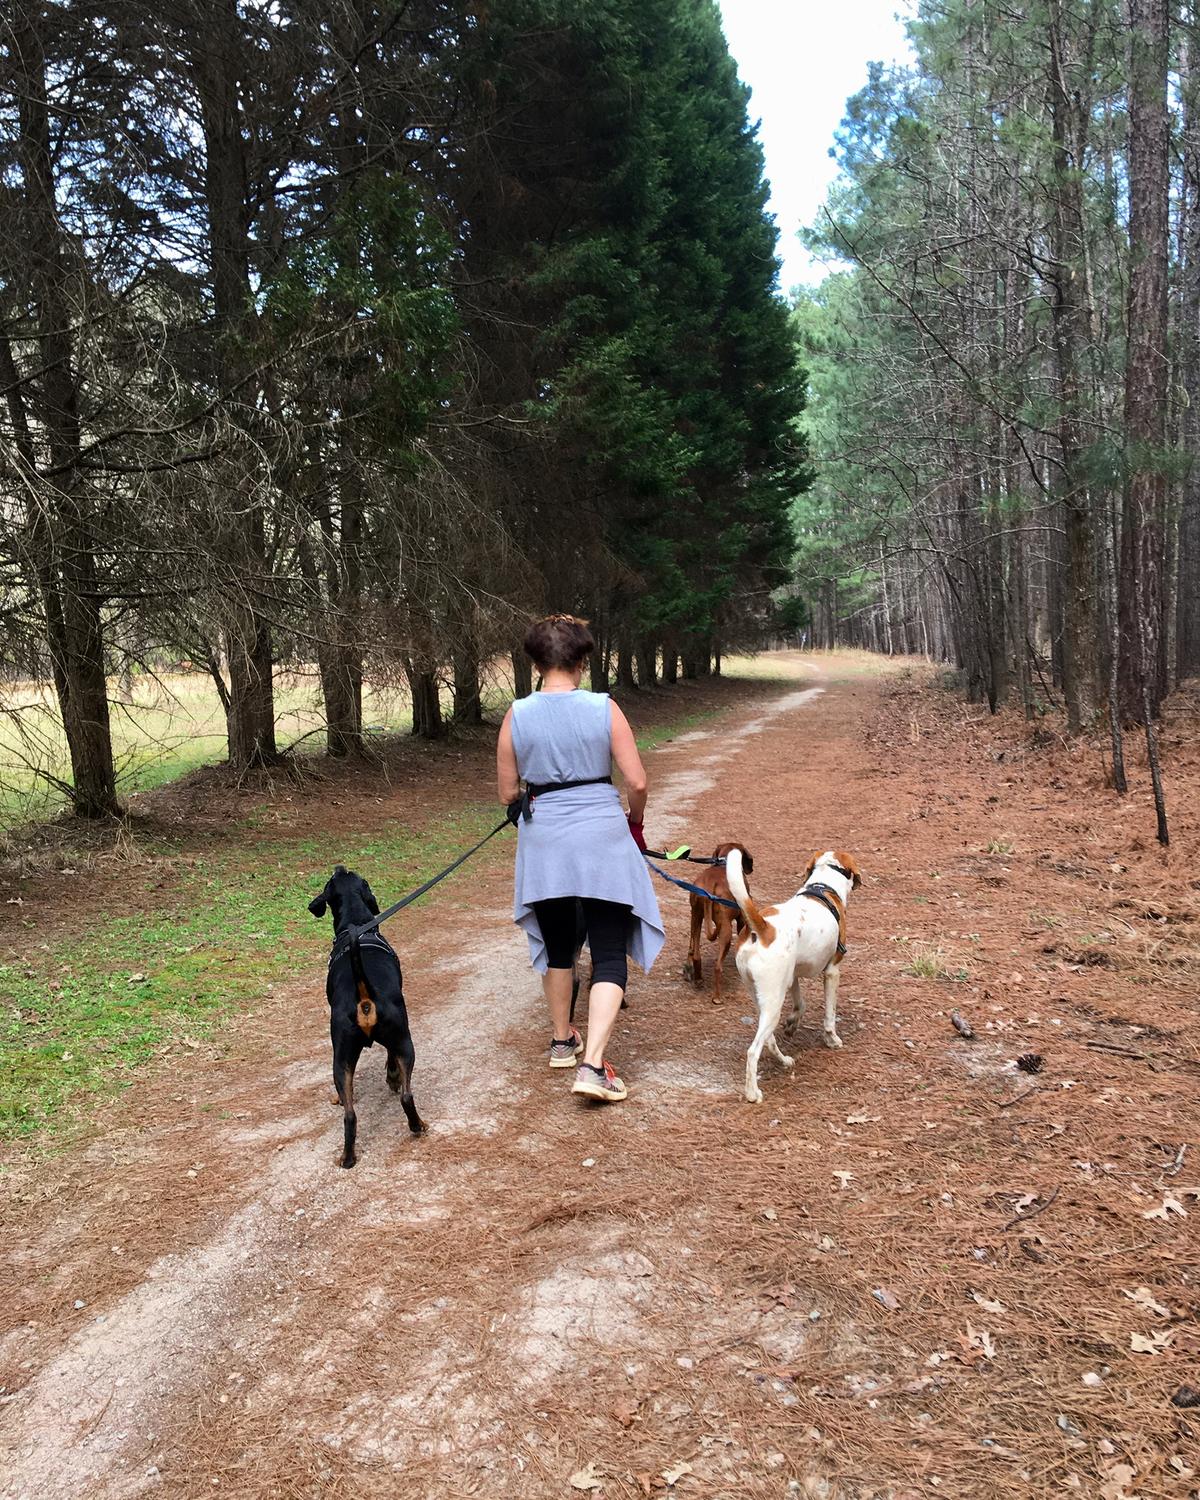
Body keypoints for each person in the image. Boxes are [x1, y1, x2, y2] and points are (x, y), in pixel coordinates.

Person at [496, 614, 664, 1102]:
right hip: (602, 838)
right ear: (583, 660)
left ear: (535, 662)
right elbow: (637, 781)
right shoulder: (603, 709)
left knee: (557, 944)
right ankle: (593, 1067)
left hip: (544, 841)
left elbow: (508, 791)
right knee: (609, 952)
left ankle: (561, 1039)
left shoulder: (516, 715)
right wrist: (633, 822)